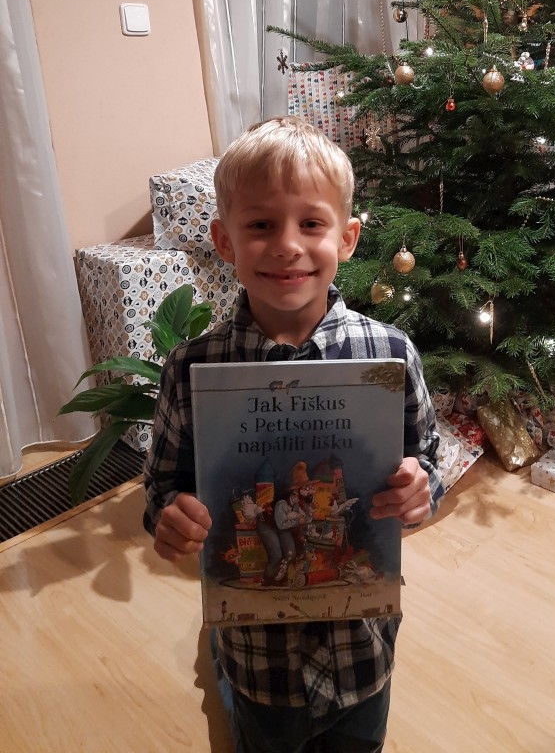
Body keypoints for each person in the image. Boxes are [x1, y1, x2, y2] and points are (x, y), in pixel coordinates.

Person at [143, 115, 444, 753]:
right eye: (260, 225)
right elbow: (163, 484)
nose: (286, 246)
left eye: (311, 223)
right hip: (260, 664)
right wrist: (170, 516)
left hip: (361, 653)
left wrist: (421, 490)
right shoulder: (191, 368)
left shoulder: (390, 354)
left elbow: (427, 462)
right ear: (224, 241)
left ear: (348, 238)